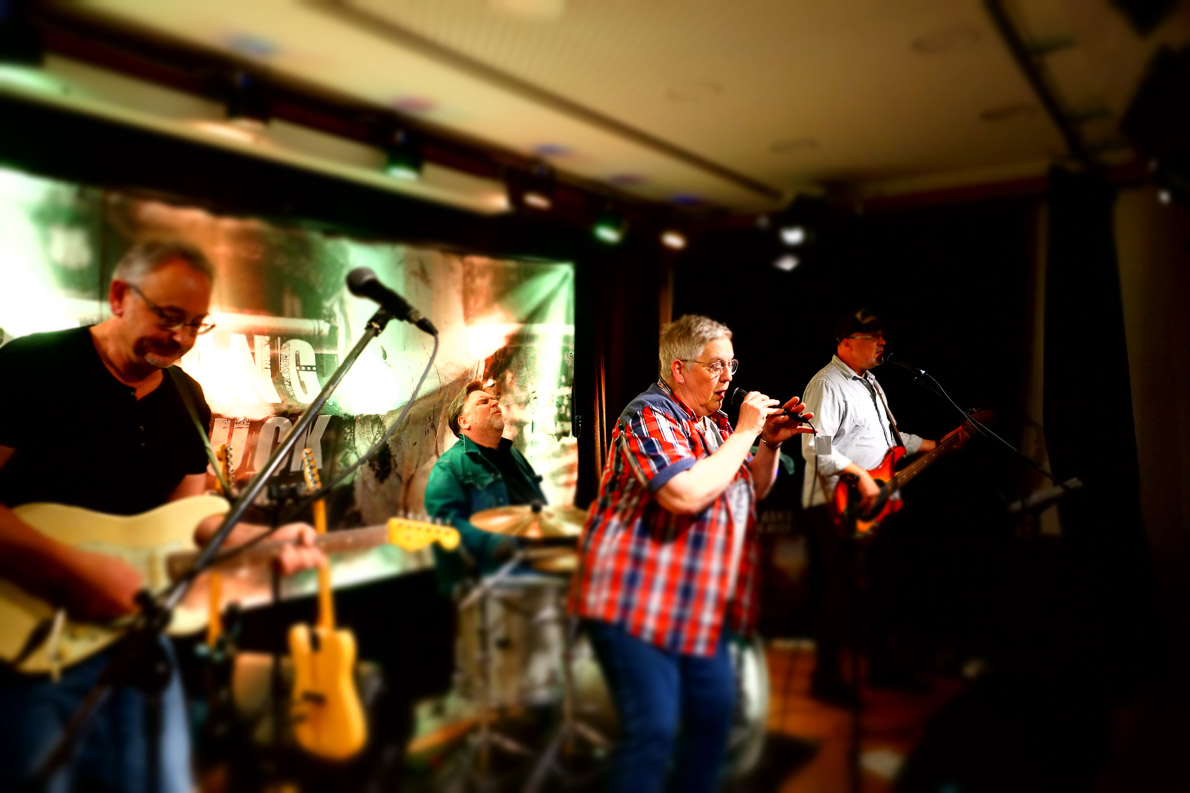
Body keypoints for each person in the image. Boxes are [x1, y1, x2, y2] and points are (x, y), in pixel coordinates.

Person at [0, 238, 324, 793]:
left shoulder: (187, 399)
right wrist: (74, 569)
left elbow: (187, 522)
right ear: (119, 296)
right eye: (169, 316)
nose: (181, 338)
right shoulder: (32, 365)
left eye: (196, 324)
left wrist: (264, 542)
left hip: (138, 639)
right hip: (29, 643)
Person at [571, 314, 813, 793]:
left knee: (712, 724)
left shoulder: (717, 423)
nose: (728, 377)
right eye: (716, 365)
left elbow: (749, 490)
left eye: (731, 365)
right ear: (679, 370)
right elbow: (683, 494)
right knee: (654, 734)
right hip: (633, 604)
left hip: (695, 605)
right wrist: (746, 433)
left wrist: (766, 443)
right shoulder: (647, 417)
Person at [798, 307, 962, 703]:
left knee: (884, 587)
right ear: (846, 343)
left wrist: (935, 444)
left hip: (876, 505)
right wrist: (859, 475)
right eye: (873, 337)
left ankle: (883, 668)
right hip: (836, 503)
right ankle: (827, 680)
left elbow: (889, 439)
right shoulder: (826, 384)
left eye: (882, 337)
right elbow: (815, 447)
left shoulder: (871, 383)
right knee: (839, 592)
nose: (883, 343)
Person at [424, 378, 548, 588]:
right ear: (464, 422)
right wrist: (499, 542)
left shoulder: (514, 454)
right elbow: (444, 525)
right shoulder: (448, 466)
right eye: (483, 402)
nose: (494, 403)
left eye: (493, 399)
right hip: (494, 586)